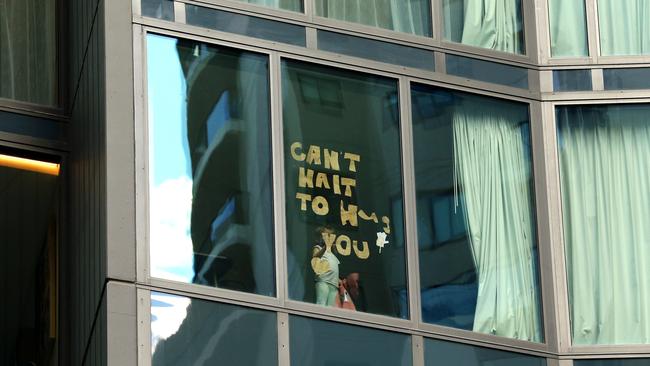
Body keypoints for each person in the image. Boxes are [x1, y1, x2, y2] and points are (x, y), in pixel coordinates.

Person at [311, 226, 340, 306]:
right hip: (323, 280)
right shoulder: (318, 248)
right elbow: (315, 257)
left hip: (333, 283)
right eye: (327, 236)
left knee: (330, 306)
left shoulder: (332, 253)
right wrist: (325, 248)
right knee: (321, 302)